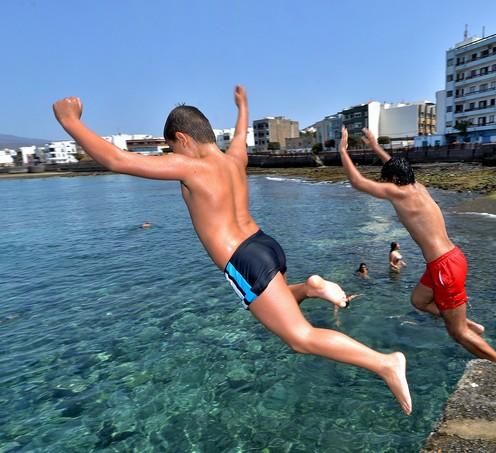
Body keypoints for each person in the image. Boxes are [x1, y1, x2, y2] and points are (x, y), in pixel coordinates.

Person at [52, 87, 412, 415]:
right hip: (265, 244)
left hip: (243, 259)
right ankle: (311, 287)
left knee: (300, 338)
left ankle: (384, 363)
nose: (172, 156)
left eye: (173, 148)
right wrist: (243, 105)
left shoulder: (190, 165)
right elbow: (240, 135)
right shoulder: (233, 159)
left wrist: (70, 121)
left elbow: (118, 160)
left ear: (183, 139)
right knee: (280, 301)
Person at [339, 127, 496, 368]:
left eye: (387, 180)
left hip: (444, 267)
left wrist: (343, 150)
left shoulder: (396, 192)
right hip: (451, 258)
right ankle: (468, 323)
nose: (385, 184)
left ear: (394, 181)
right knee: (419, 300)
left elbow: (357, 181)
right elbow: (395, 164)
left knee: (458, 334)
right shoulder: (418, 187)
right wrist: (375, 146)